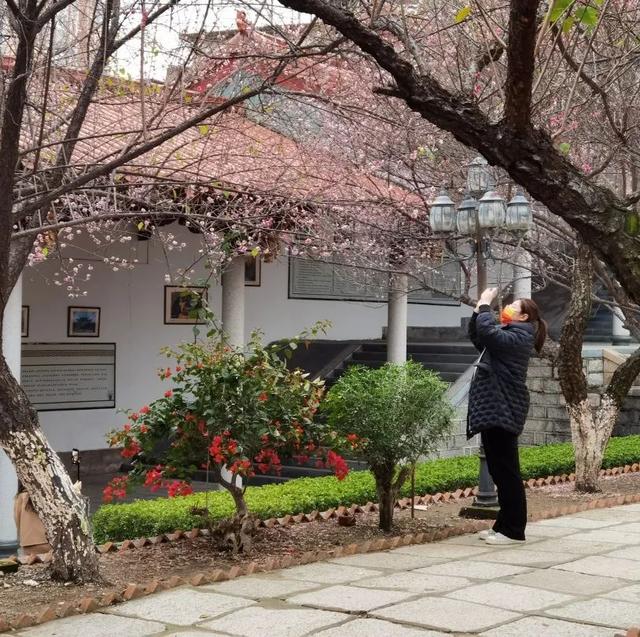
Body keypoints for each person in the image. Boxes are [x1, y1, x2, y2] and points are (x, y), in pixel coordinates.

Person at [467, 287, 547, 545]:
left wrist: (485, 306)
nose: (508, 308)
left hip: (505, 407)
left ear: (523, 317)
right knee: (499, 471)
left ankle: (514, 531)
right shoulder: (509, 334)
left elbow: (488, 332)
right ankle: (502, 525)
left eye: (515, 306)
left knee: (507, 472)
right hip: (496, 407)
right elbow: (481, 338)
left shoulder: (521, 336)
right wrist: (477, 312)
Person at [14, 483, 52, 556]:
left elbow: (17, 520)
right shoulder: (47, 494)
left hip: (28, 544)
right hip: (48, 543)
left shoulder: (21, 497)